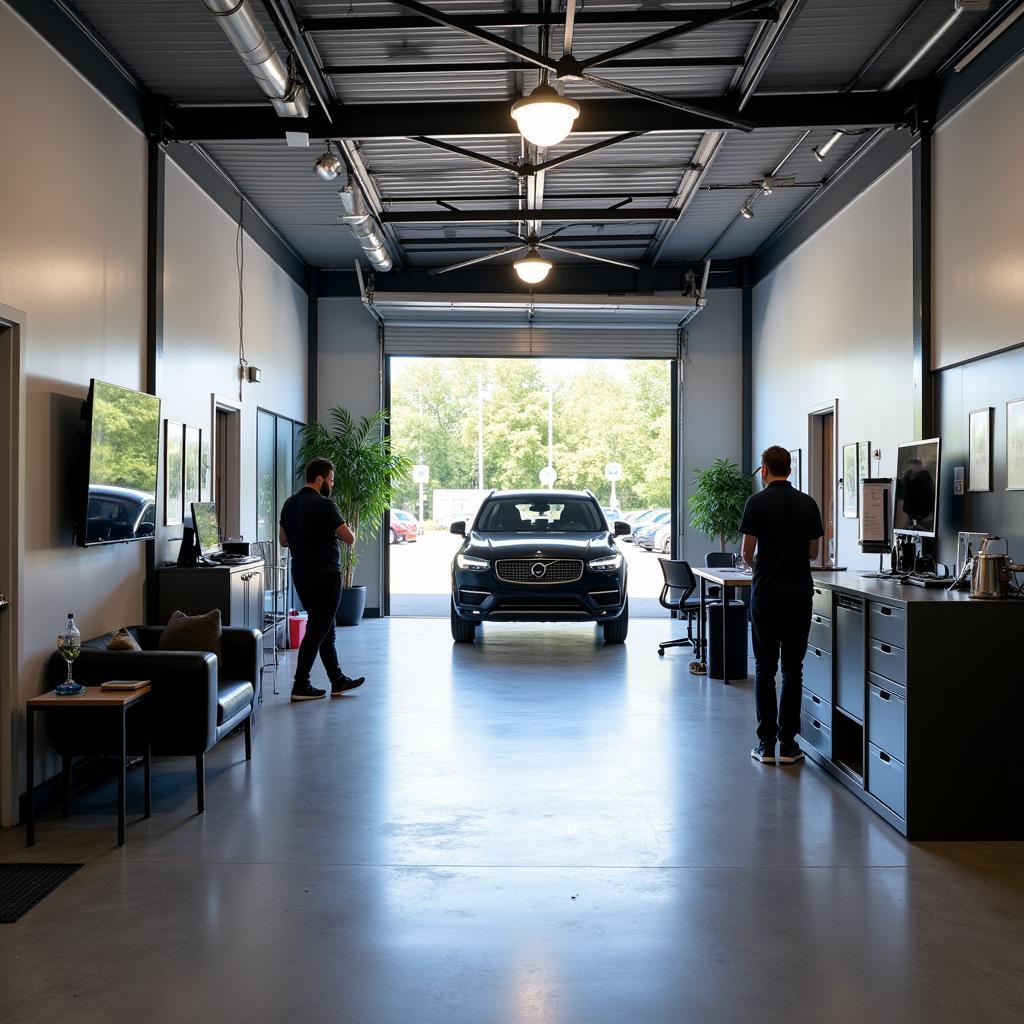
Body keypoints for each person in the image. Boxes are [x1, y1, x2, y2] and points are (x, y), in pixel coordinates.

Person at [740, 446, 824, 765]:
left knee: (764, 669)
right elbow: (813, 552)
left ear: (764, 470)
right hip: (799, 597)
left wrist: (759, 564)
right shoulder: (807, 504)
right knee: (793, 670)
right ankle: (789, 745)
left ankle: (766, 745)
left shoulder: (756, 503)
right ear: (789, 469)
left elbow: (747, 552)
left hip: (766, 597)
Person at [279, 457, 365, 702]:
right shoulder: (325, 505)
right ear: (320, 479)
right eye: (331, 480)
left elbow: (283, 540)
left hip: (301, 574)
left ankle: (337, 680)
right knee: (318, 629)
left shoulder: (290, 504)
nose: (332, 485)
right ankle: (300, 684)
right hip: (326, 575)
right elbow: (349, 538)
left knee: (324, 628)